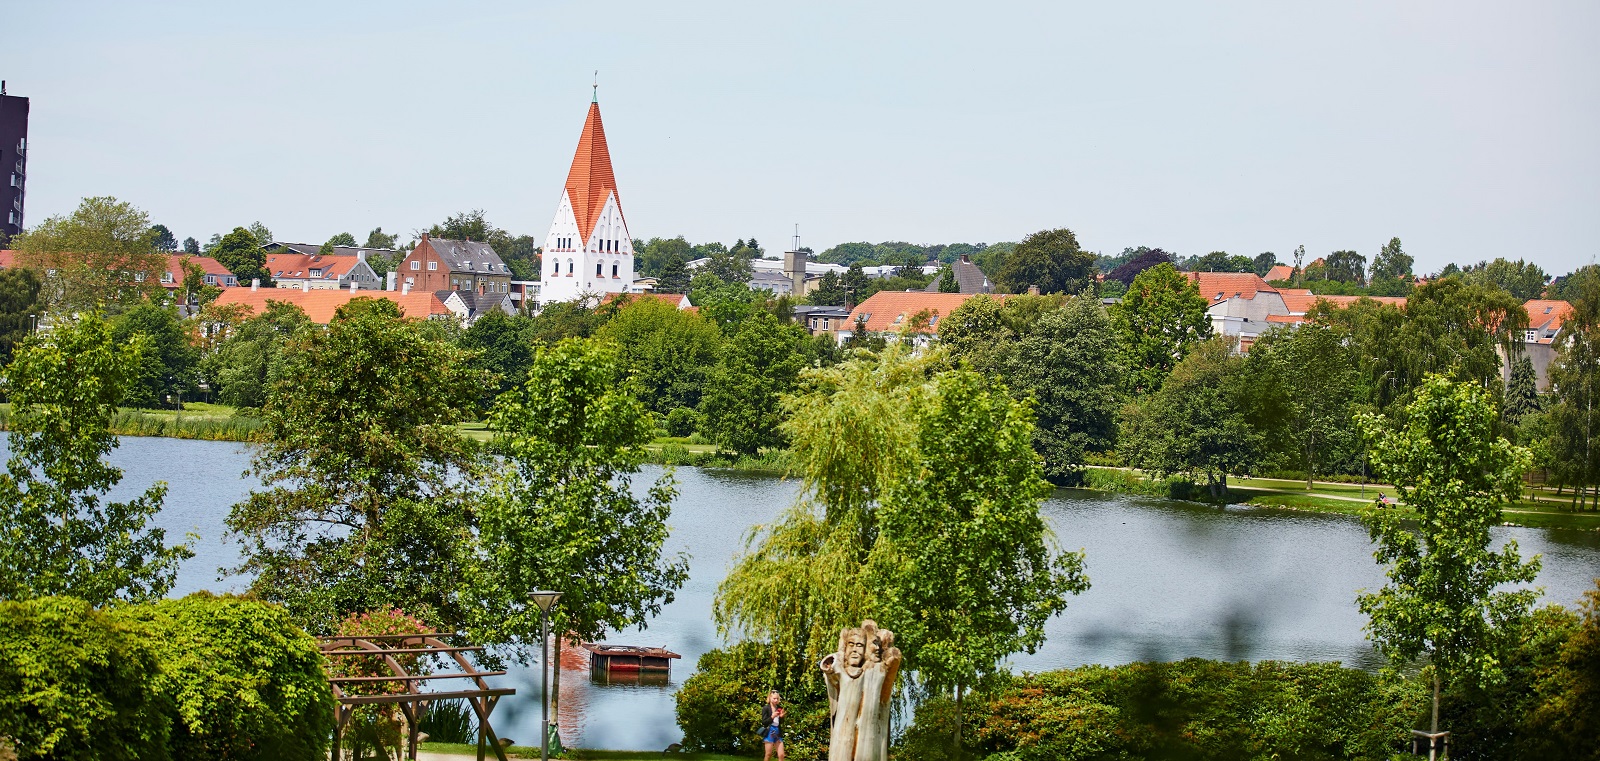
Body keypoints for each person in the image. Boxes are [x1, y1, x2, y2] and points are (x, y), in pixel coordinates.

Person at [760, 690, 786, 761]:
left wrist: (781, 717)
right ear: (770, 698)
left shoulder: (779, 708)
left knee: (781, 755)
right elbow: (764, 722)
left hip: (777, 731)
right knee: (768, 754)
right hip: (769, 731)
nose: (776, 700)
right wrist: (772, 716)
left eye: (777, 699)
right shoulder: (766, 708)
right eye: (774, 698)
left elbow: (780, 722)